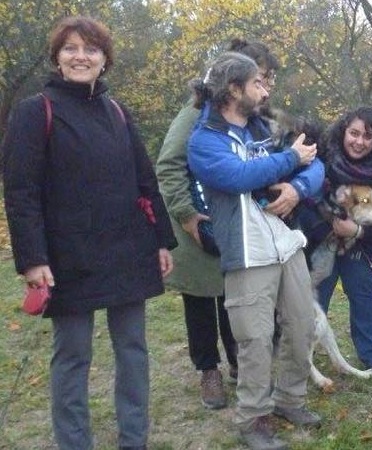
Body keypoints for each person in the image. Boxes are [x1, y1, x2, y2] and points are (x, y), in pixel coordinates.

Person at [1, 16, 176, 449]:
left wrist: (161, 240)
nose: (81, 56)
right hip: (67, 257)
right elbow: (21, 192)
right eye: (71, 48)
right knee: (73, 355)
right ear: (57, 57)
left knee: (133, 351)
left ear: (105, 60)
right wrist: (34, 259)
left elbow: (144, 178)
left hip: (127, 250)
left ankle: (134, 440)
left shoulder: (117, 111)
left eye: (91, 49)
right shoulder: (34, 111)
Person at [186, 52, 324, 450]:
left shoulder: (266, 129)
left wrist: (299, 186)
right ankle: (252, 419)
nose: (265, 91)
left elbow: (317, 165)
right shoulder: (204, 141)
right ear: (233, 89)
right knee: (255, 340)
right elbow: (237, 176)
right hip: (247, 255)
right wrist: (291, 159)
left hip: (287, 245)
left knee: (301, 327)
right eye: (258, 84)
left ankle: (290, 400)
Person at [155, 38, 279, 410]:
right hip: (201, 226)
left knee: (235, 298)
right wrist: (188, 214)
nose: (266, 87)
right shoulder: (197, 113)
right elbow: (168, 164)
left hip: (238, 226)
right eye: (261, 77)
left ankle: (240, 365)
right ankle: (208, 369)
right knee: (200, 301)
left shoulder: (254, 120)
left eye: (268, 78)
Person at [298, 106, 372, 378]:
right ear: (343, 132)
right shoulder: (323, 163)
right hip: (319, 246)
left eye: (368, 137)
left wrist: (355, 231)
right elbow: (305, 204)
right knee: (312, 300)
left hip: (359, 249)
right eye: (354, 133)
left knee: (366, 296)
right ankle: (301, 352)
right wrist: (326, 226)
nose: (359, 141)